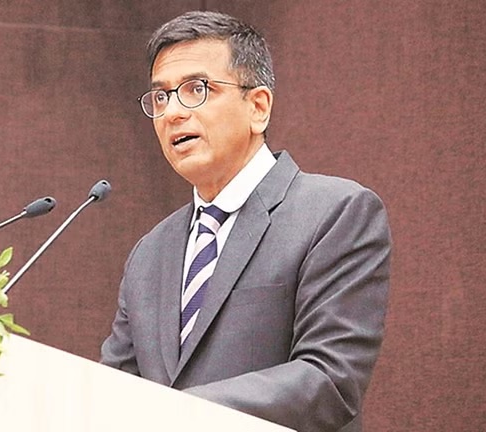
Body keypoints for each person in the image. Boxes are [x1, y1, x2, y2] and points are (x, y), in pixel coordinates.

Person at [99, 10, 391, 432]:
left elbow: (330, 380)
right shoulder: (150, 252)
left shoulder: (335, 213)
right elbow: (114, 393)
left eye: (196, 89)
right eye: (161, 97)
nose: (172, 112)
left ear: (258, 107)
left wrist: (175, 412)